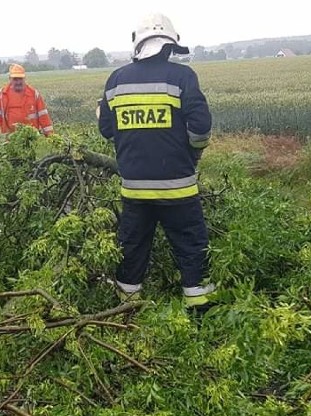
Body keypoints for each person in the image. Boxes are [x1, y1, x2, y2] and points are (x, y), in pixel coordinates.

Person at [97, 13, 214, 312]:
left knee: (131, 250)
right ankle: (200, 313)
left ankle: (126, 313)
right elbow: (200, 129)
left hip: (135, 191)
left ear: (138, 44)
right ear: (170, 45)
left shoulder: (116, 80)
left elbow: (106, 130)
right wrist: (193, 155)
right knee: (192, 249)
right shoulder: (182, 77)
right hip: (179, 191)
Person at [0, 64, 54, 138]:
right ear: (10, 79)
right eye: (15, 79)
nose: (18, 82)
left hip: (31, 138)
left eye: (20, 79)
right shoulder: (2, 94)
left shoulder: (34, 94)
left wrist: (50, 136)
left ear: (24, 78)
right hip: (9, 139)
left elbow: (44, 116)